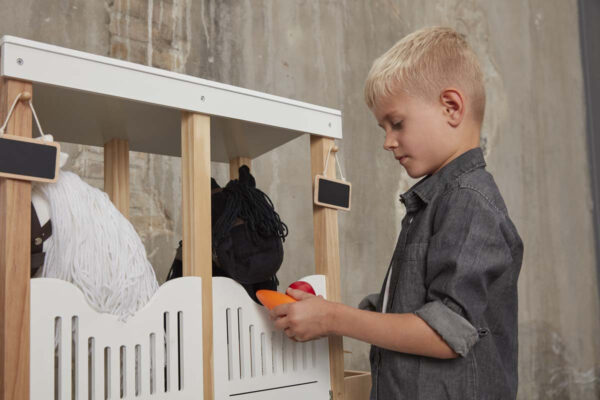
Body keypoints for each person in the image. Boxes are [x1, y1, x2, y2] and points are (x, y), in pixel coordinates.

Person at [270, 26, 524, 399]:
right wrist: (326, 313)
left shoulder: (468, 201)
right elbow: (411, 312)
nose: (388, 142)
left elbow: (445, 333)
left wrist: (333, 317)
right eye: (383, 128)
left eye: (397, 123)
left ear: (451, 107)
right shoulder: (435, 202)